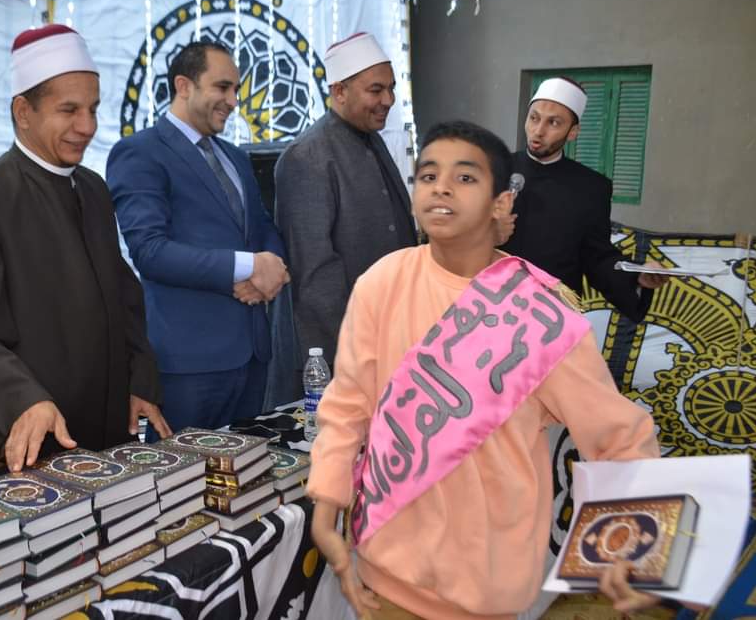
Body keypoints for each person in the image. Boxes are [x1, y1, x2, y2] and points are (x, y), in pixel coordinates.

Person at [307, 120, 663, 619]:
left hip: (482, 588)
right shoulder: (382, 282)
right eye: (428, 175)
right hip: (382, 570)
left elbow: (620, 438)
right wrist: (326, 506)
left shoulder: (541, 315)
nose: (441, 187)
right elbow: (348, 405)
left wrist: (634, 548)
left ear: (501, 204)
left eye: (465, 177)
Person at [0, 24, 168, 482]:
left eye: (93, 109)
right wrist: (23, 399)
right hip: (29, 435)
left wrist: (140, 382)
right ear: (23, 112)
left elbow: (124, 299)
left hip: (105, 430)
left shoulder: (93, 189)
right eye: (69, 110)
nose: (88, 126)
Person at [107, 41, 288, 436]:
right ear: (183, 86)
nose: (233, 101)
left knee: (248, 470)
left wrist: (269, 272)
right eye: (222, 87)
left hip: (253, 358)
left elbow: (262, 227)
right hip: (188, 365)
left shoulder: (236, 157)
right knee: (184, 475)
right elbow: (150, 251)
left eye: (236, 89)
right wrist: (248, 267)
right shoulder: (139, 152)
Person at [274, 32, 415, 372]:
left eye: (391, 88)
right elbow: (316, 277)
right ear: (339, 91)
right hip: (344, 350)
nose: (388, 100)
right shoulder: (307, 157)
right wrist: (354, 352)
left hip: (391, 336)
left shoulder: (371, 139)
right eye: (376, 90)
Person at [501, 77, 667, 322]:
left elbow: (597, 257)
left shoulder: (591, 187)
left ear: (573, 132)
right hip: (486, 307)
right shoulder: (493, 170)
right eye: (534, 118)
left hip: (553, 318)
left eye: (553, 123)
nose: (538, 131)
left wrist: (637, 276)